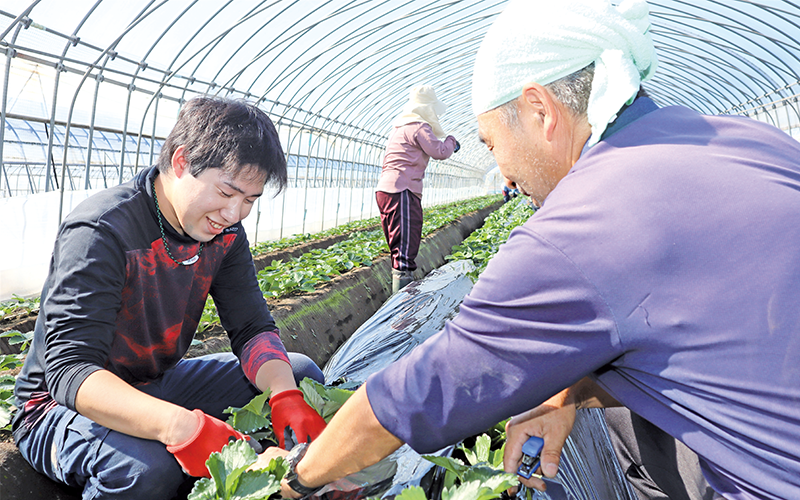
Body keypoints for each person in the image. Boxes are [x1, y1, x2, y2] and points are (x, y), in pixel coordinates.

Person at [252, 0, 800, 498]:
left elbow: (427, 389)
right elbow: (703, 344)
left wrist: (298, 480)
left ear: (540, 110)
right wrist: (565, 397)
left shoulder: (588, 222)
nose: (506, 175)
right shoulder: (754, 141)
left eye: (493, 144)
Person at [12, 96, 328, 499]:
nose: (234, 213)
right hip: (58, 408)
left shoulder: (224, 234)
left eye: (249, 200)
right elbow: (70, 372)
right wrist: (181, 427)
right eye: (227, 192)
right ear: (181, 162)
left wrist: (284, 395)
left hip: (153, 383)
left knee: (297, 373)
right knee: (146, 470)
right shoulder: (102, 230)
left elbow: (251, 328)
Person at [375, 85, 460, 294]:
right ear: (427, 108)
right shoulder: (418, 126)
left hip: (388, 189)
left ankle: (402, 300)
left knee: (401, 242)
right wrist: (452, 141)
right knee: (405, 247)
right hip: (401, 189)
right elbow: (439, 151)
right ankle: (402, 306)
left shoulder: (399, 127)